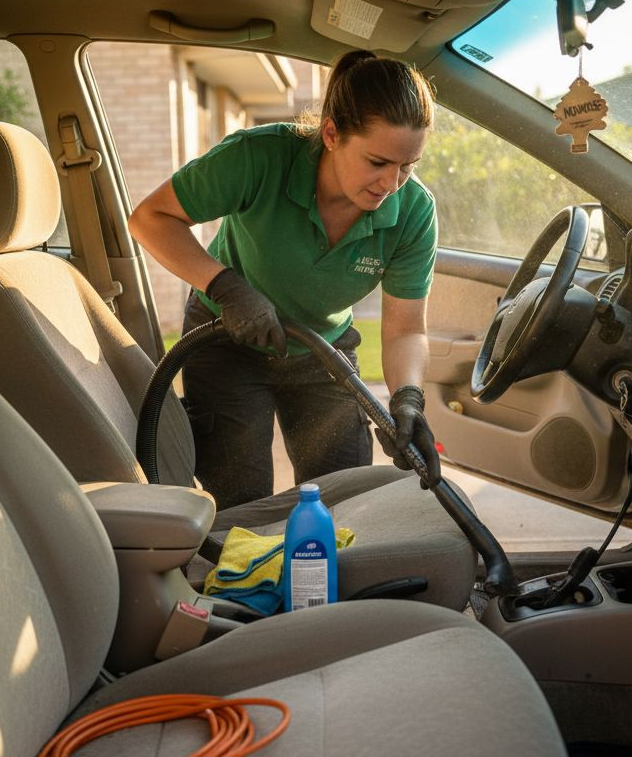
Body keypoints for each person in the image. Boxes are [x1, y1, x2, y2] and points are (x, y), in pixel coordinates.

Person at [128, 50, 442, 508]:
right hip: (227, 340)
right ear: (332, 133)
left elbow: (406, 329)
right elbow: (150, 219)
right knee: (242, 504)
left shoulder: (414, 212)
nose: (391, 183)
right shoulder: (257, 157)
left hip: (323, 350)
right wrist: (227, 287)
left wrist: (408, 399)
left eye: (407, 166)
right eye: (377, 162)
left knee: (342, 500)